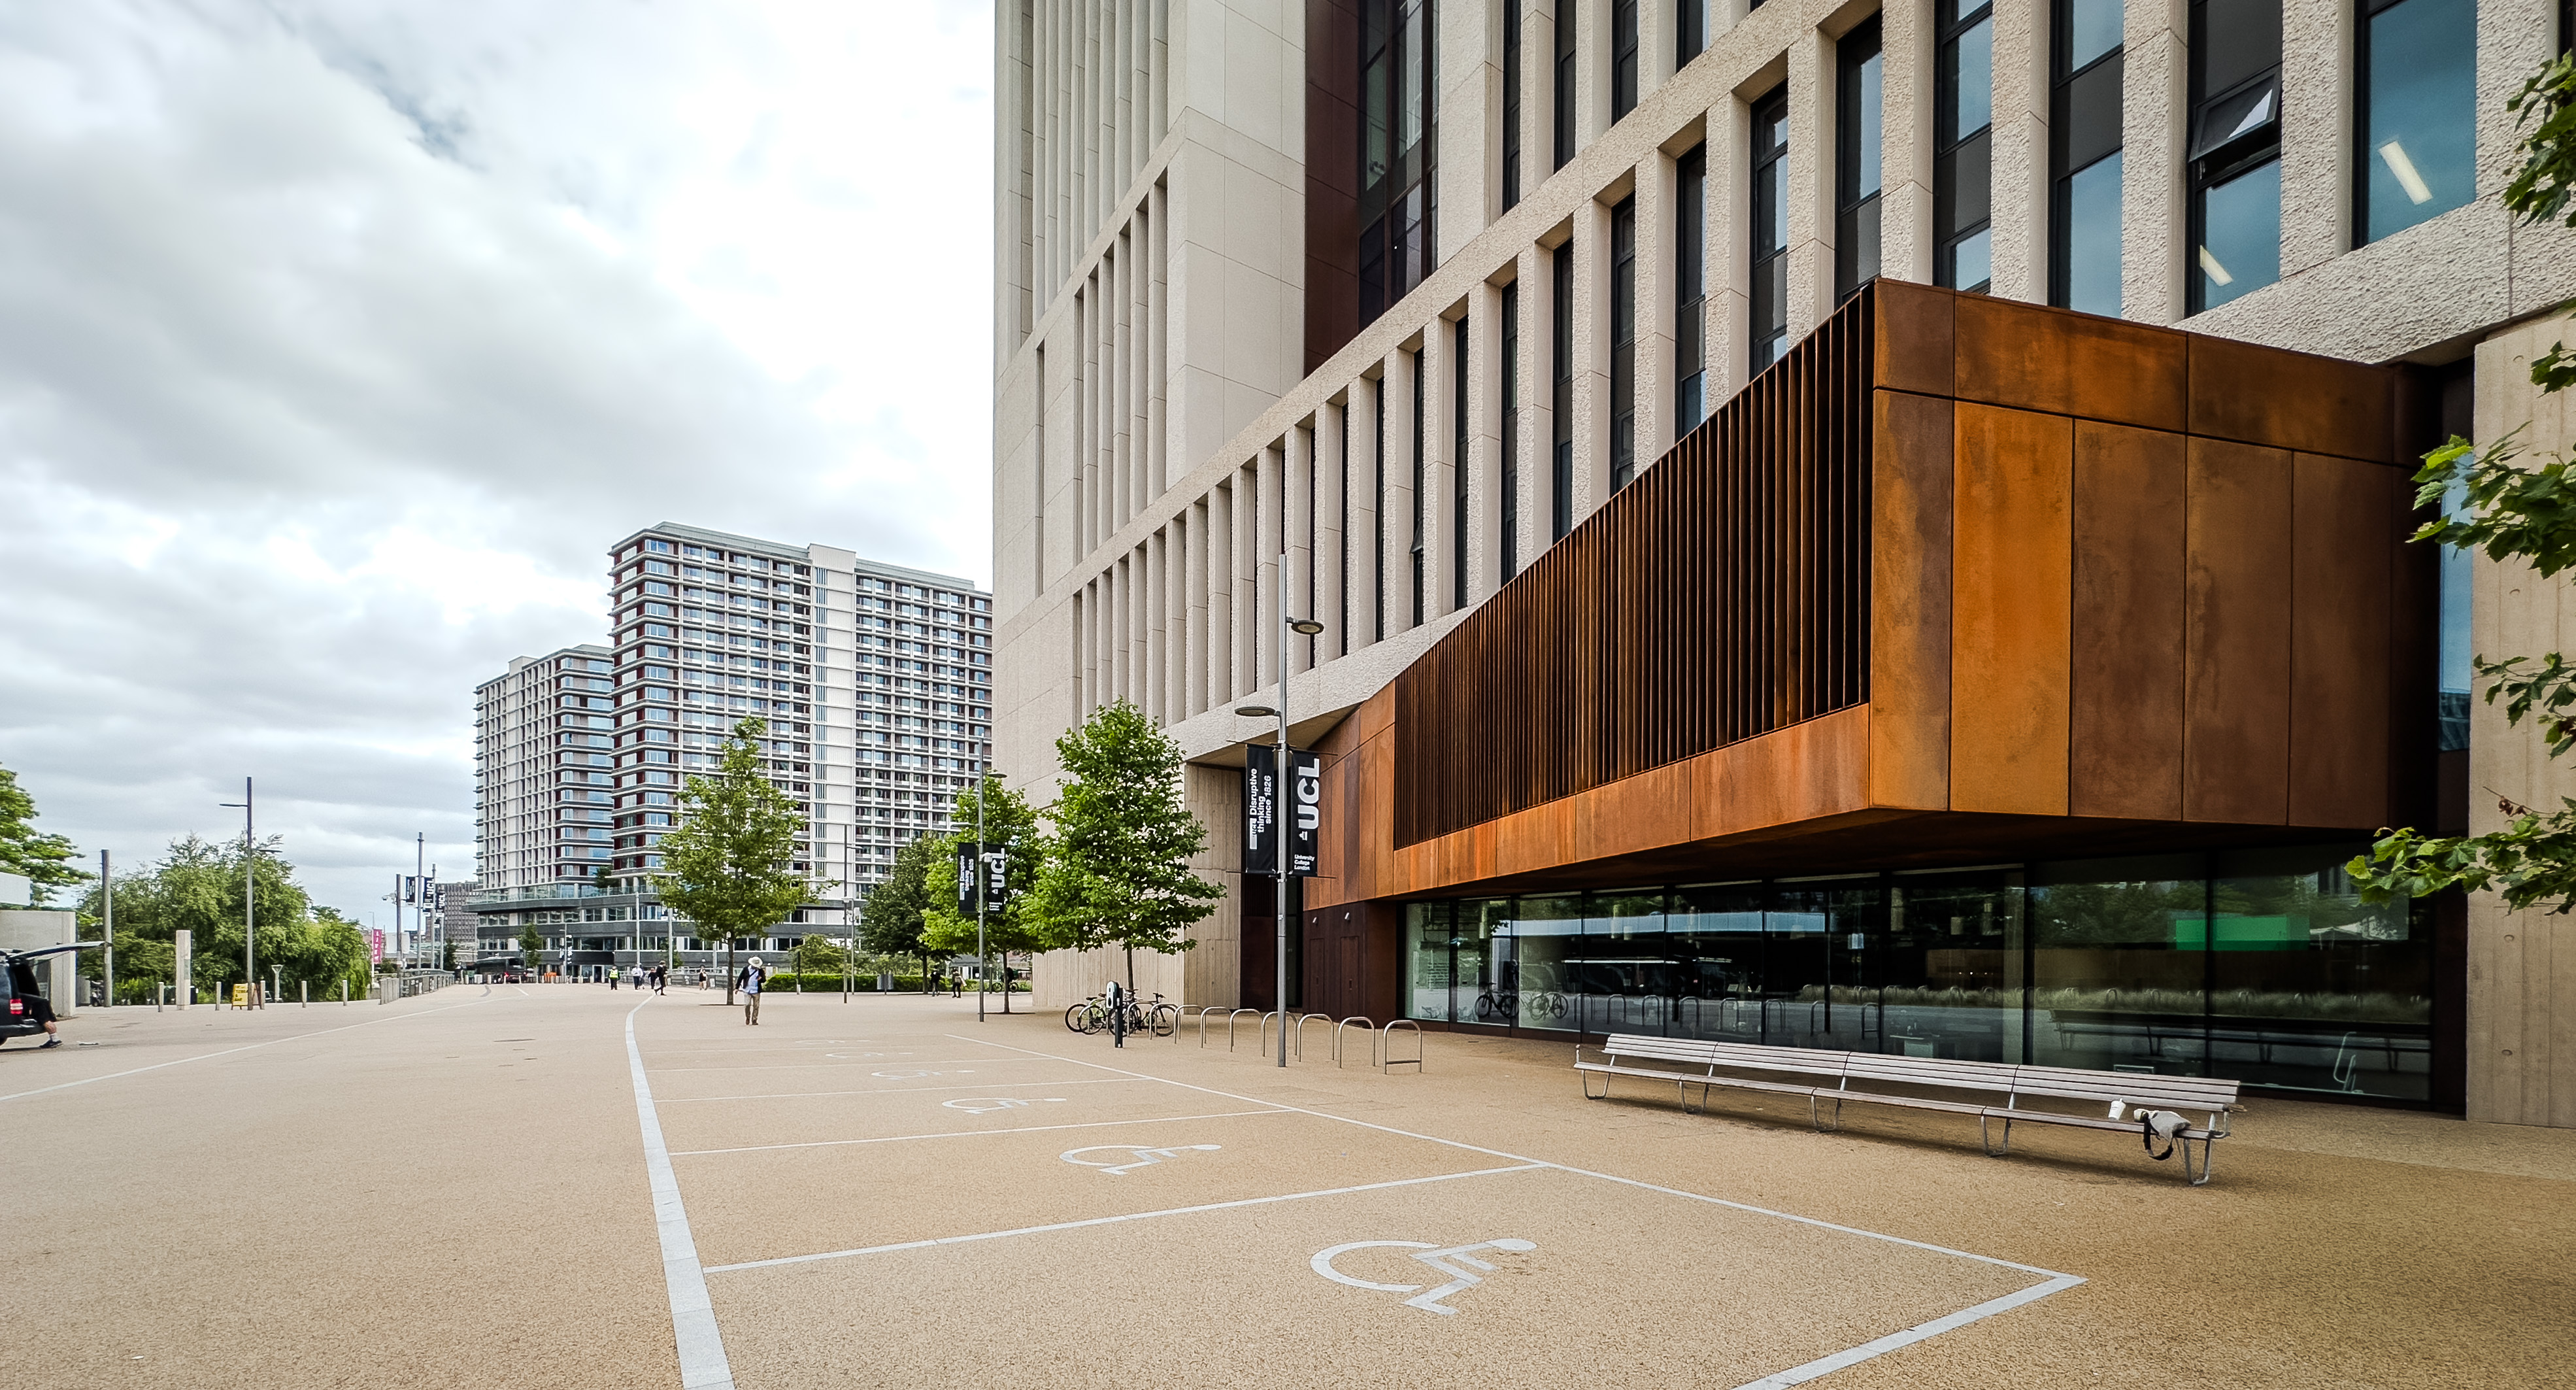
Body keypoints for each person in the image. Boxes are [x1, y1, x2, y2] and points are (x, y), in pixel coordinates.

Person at [739, 955, 767, 1025]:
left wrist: (761, 979)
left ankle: (754, 1020)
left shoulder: (760, 971)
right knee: (747, 1005)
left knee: (756, 1006)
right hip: (747, 990)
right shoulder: (746, 969)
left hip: (756, 990)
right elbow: (740, 978)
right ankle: (748, 1017)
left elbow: (764, 980)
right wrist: (737, 987)